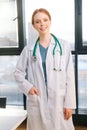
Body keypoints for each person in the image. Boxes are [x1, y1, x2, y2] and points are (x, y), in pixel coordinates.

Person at [14, 8, 76, 130]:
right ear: (33, 25)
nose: (42, 24)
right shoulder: (29, 49)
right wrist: (28, 87)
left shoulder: (63, 46)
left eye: (45, 20)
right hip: (38, 101)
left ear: (50, 21)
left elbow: (70, 76)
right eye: (37, 21)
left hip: (59, 100)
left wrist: (69, 104)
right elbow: (18, 73)